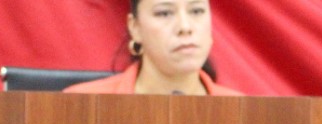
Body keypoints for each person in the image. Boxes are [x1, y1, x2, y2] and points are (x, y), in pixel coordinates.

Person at [64, 0, 241, 96]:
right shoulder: (81, 105)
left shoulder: (243, 112)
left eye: (196, 11)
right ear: (135, 27)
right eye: (164, 13)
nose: (185, 27)